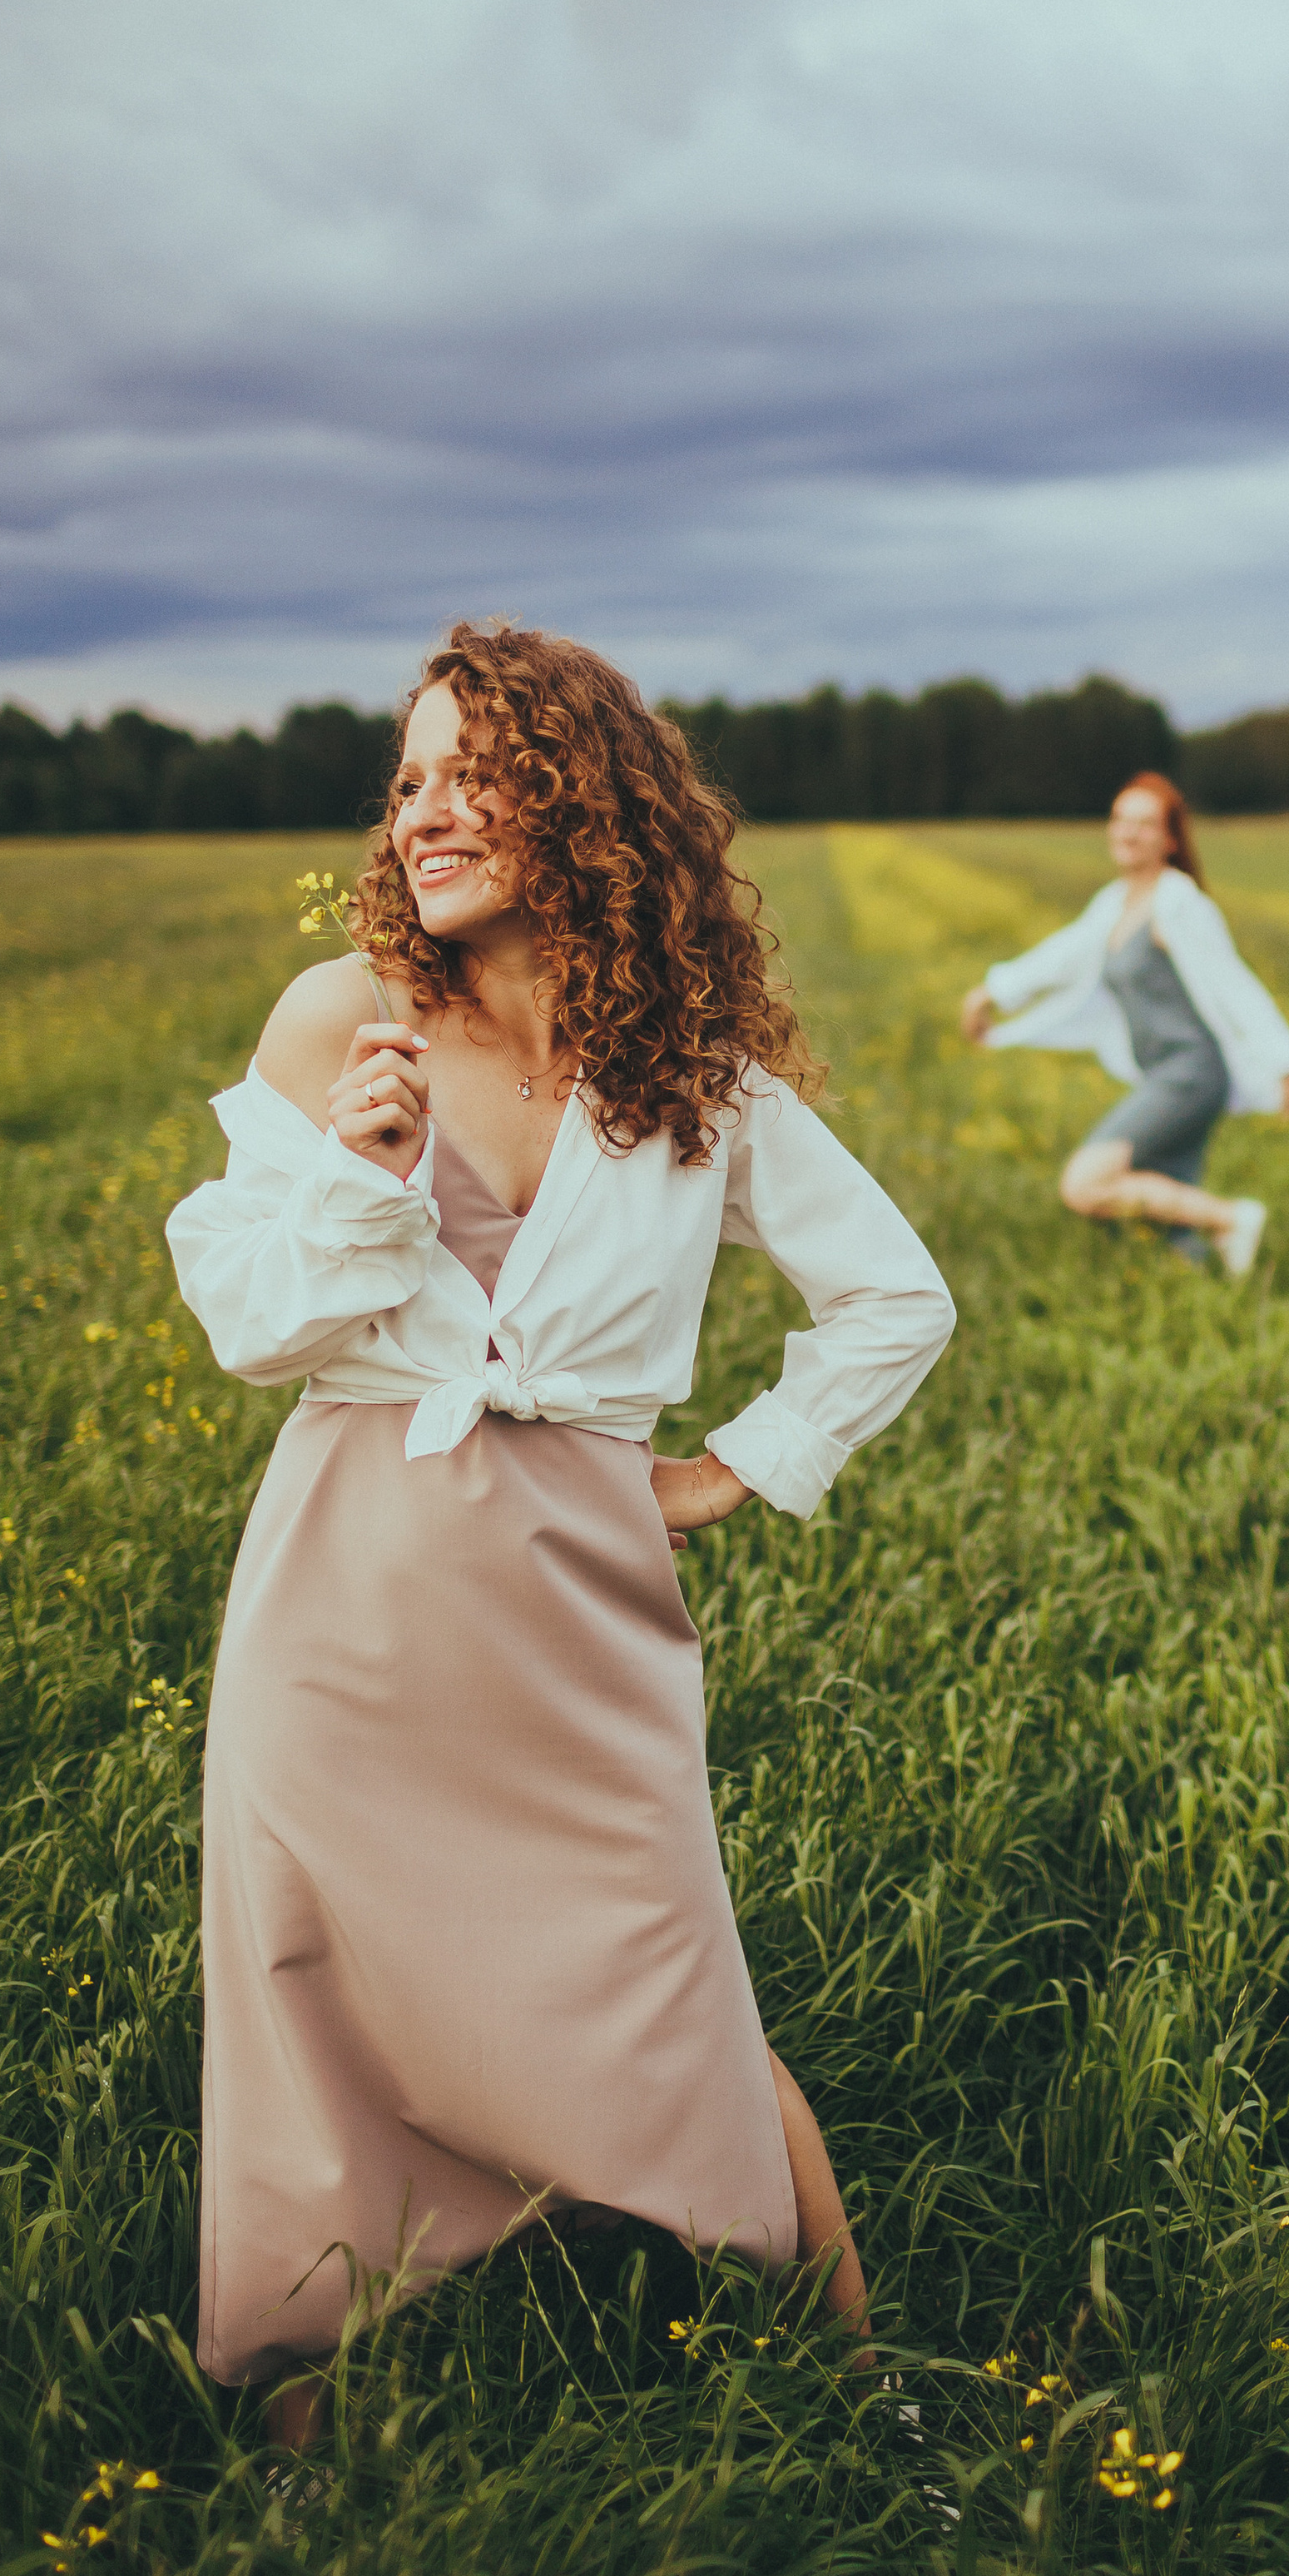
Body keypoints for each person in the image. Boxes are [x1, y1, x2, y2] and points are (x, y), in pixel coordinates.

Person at [166, 623, 954, 2446]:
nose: (425, 812)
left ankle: (869, 2416)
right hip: (346, 1595)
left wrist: (728, 1467)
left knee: (671, 1983)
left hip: (577, 1617)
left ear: (582, 806)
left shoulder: (686, 1069)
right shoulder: (333, 1020)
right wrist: (365, 1188)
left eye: (474, 773)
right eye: (409, 778)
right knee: (315, 2010)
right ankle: (302, 2474)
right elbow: (246, 1326)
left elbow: (892, 1301)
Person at [959, 772, 1289, 1273]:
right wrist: (991, 993)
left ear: (1170, 839)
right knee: (1164, 1199)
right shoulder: (1115, 903)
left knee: (1084, 1183)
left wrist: (1288, 1063)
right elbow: (1060, 955)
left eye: (1144, 824)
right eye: (1120, 819)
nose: (1127, 832)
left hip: (1190, 1075)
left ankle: (1232, 1219)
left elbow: (1235, 985)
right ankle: (1203, 1283)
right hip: (1164, 1073)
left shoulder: (1177, 903)